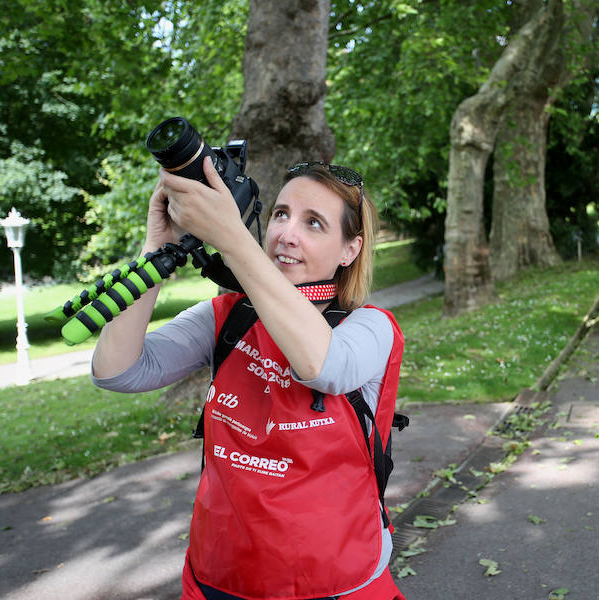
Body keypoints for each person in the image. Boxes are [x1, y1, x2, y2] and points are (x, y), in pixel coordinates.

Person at [91, 158, 406, 600]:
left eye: (313, 223)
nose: (286, 234)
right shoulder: (227, 318)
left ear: (348, 250)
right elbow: (116, 371)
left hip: (335, 580)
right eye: (280, 214)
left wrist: (234, 240)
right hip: (220, 574)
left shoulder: (371, 328)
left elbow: (322, 366)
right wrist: (155, 250)